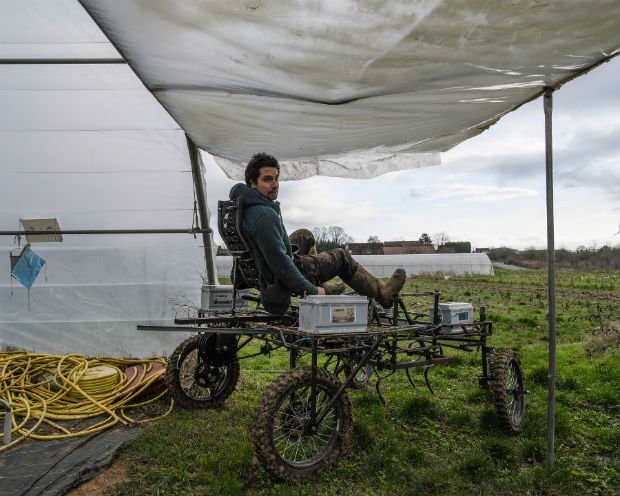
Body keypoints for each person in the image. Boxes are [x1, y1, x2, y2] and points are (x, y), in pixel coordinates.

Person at [229, 152, 406, 315]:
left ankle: (321, 284)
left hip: (260, 266)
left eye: (276, 178)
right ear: (252, 183)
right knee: (342, 257)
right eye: (267, 179)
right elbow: (280, 264)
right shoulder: (264, 216)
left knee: (304, 234)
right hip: (283, 272)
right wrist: (312, 291)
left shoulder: (242, 206)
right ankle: (383, 295)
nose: (275, 184)